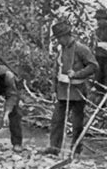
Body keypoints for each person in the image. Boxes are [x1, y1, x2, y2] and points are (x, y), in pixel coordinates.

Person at [42, 21, 98, 156]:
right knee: (56, 121)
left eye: (60, 38)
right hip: (62, 91)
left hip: (77, 92)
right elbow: (56, 71)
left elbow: (93, 66)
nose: (59, 41)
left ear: (66, 36)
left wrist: (77, 74)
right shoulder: (61, 50)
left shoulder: (81, 49)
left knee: (77, 123)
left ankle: (76, 149)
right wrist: (53, 90)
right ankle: (54, 148)